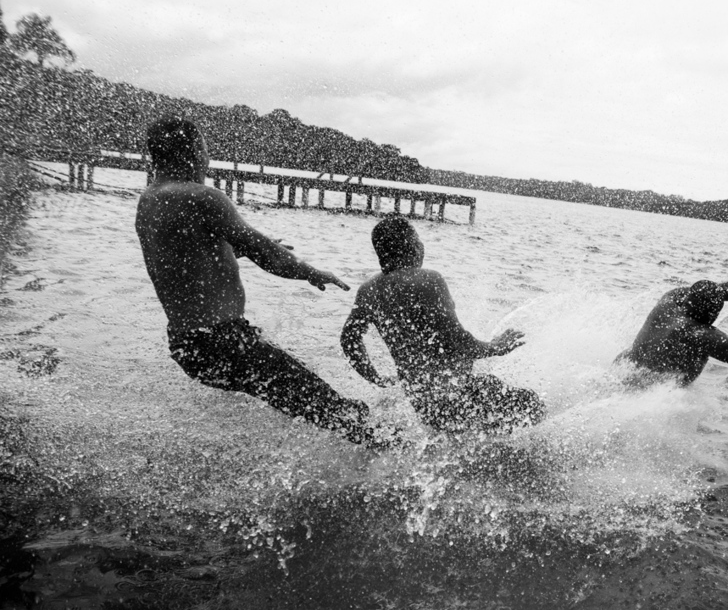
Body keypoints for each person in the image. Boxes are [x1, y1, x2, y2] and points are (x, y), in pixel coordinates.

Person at [135, 115, 389, 447]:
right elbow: (267, 254)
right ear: (194, 151)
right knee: (340, 411)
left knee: (307, 397)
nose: (208, 156)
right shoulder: (201, 197)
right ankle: (395, 459)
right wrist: (310, 272)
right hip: (224, 342)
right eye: (205, 147)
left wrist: (233, 255)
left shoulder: (150, 200)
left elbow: (183, 264)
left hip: (188, 347)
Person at [340, 217, 545, 433]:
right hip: (458, 394)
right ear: (411, 245)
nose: (421, 244)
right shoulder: (428, 279)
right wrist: (495, 347)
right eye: (417, 238)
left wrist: (376, 378)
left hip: (423, 403)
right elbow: (457, 340)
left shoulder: (369, 290)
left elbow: (349, 339)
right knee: (531, 403)